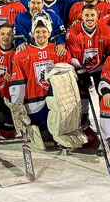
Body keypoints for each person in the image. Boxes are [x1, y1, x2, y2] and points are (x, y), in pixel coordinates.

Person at [9, 15, 71, 147]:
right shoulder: (22, 54)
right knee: (44, 136)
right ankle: (44, 130)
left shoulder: (60, 52)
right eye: (37, 32)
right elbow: (18, 83)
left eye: (44, 31)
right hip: (33, 108)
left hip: (56, 107)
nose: (41, 34)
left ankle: (58, 130)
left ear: (49, 33)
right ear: (32, 34)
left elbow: (68, 84)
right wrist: (17, 106)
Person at [67, 3, 110, 127]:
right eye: (87, 15)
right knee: (81, 89)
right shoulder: (73, 32)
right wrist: (81, 71)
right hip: (80, 67)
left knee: (106, 89)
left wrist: (108, 66)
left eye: (92, 15)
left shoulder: (107, 31)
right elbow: (72, 56)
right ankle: (83, 115)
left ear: (97, 16)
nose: (90, 18)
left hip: (99, 66)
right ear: (82, 16)